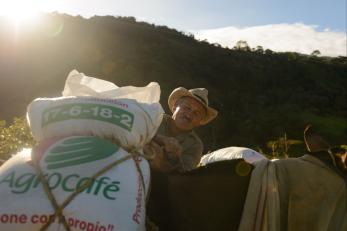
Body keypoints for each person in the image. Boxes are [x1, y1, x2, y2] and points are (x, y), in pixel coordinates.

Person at [144, 87, 218, 172]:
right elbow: (131, 132)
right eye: (187, 108)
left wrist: (175, 159)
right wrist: (159, 139)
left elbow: (184, 176)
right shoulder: (153, 118)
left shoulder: (195, 145)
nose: (189, 115)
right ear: (175, 107)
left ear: (199, 122)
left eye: (196, 113)